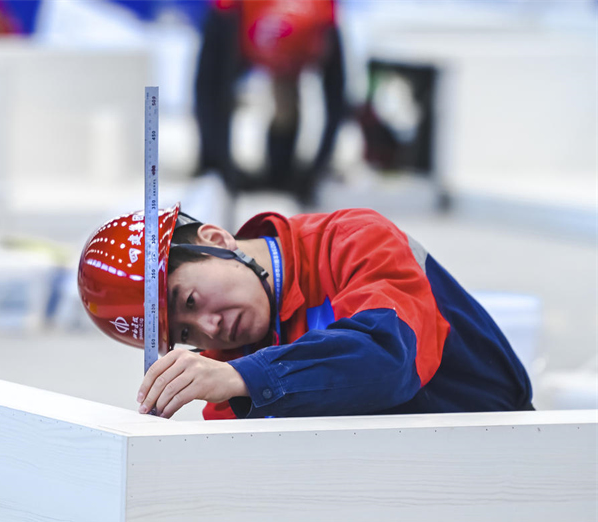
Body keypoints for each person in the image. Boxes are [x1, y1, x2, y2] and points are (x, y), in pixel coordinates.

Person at [77, 204, 533, 420]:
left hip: (508, 468)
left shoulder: (353, 239)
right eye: (184, 333)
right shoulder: (226, 391)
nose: (209, 328)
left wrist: (249, 377)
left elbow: (390, 356)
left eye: (190, 301)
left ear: (216, 241)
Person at [194, 0, 345, 206]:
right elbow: (211, 93)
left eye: (291, 64)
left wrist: (316, 170)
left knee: (285, 101)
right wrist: (220, 165)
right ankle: (220, 164)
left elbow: (336, 103)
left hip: (292, 30)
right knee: (214, 86)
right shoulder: (228, 18)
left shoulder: (324, 22)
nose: (282, 66)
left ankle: (279, 171)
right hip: (242, 22)